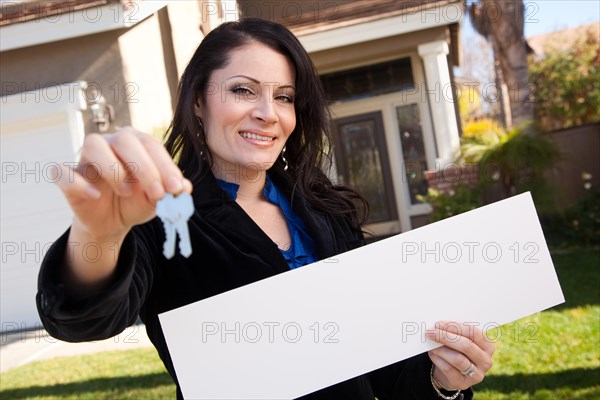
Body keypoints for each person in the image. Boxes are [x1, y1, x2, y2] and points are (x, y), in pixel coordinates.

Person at [37, 18, 494, 399]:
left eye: (284, 97)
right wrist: (99, 233)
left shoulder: (324, 210)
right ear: (198, 101)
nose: (268, 113)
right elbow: (82, 320)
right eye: (243, 90)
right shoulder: (159, 218)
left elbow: (386, 371)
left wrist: (443, 381)